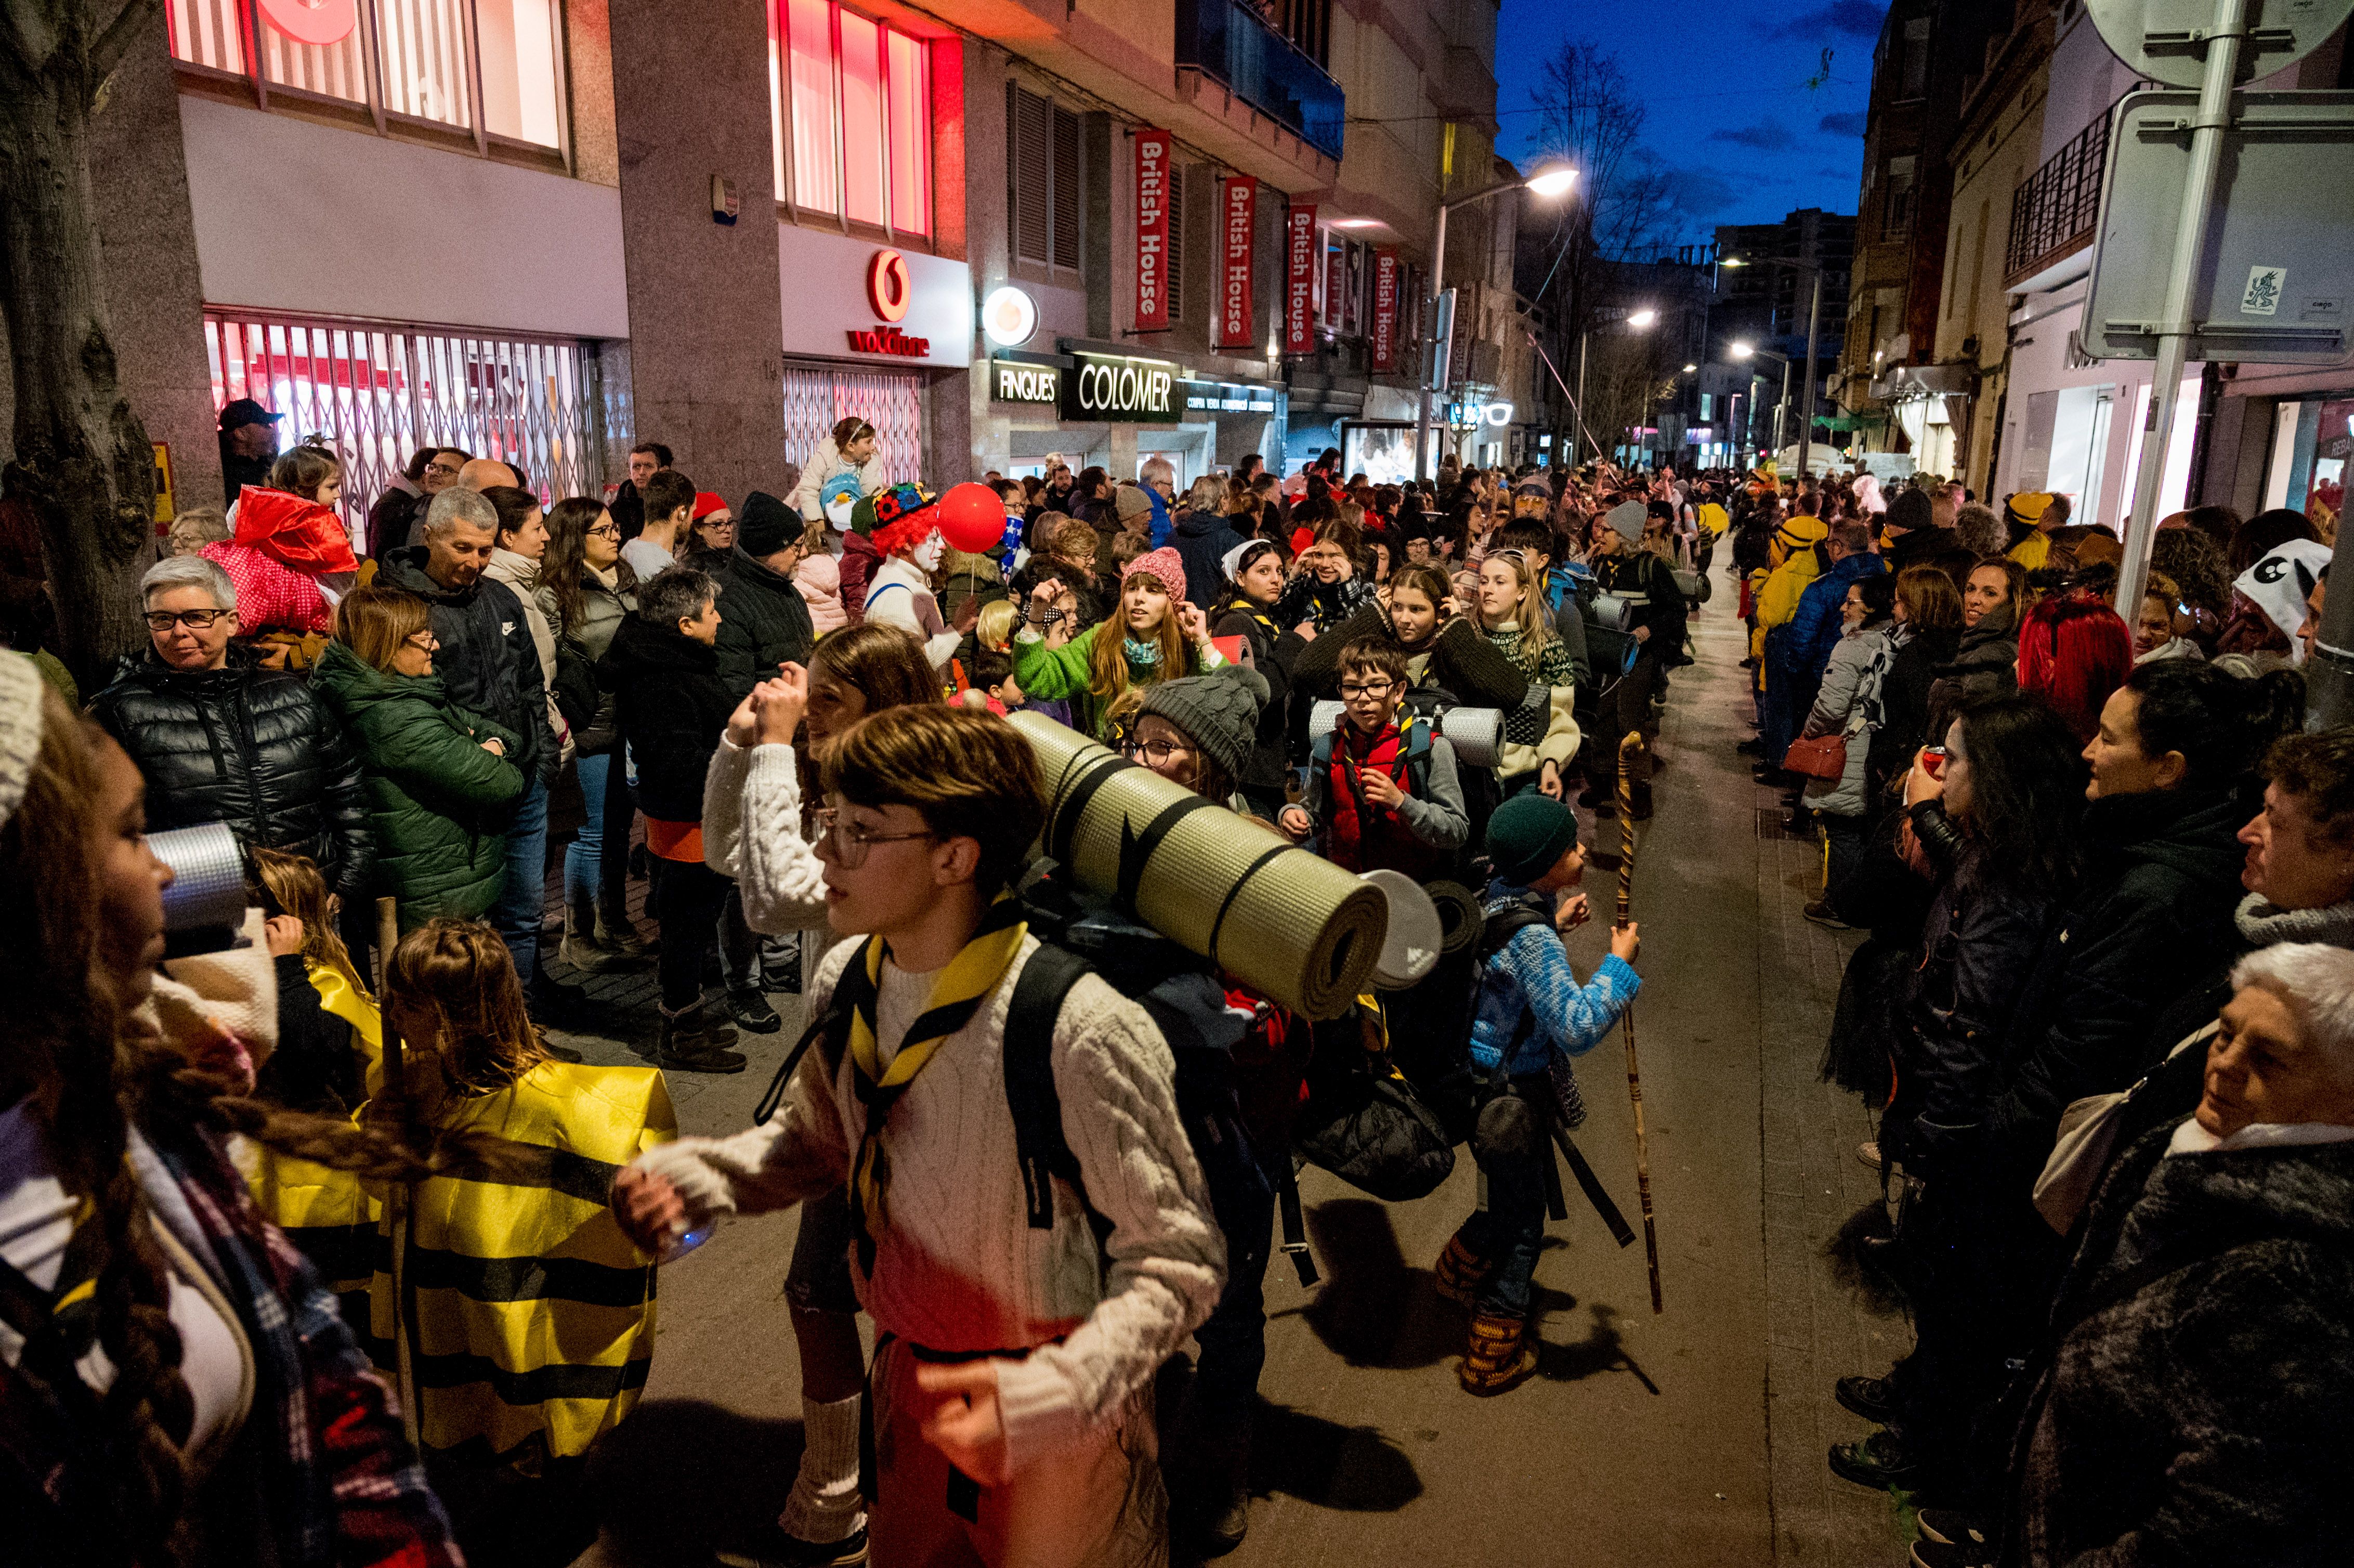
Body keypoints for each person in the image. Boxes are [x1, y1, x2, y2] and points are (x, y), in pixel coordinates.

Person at [612, 704, 1224, 1567]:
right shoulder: (848, 978)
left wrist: (1055, 1390)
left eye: (859, 832)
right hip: (910, 1391)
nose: (824, 852)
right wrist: (712, 1175)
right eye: (827, 823)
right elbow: (822, 1141)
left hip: (1060, 1421)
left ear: (954, 855)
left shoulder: (1076, 1026)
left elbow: (1178, 1258)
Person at [1, 662, 470, 1568]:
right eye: (135, 833)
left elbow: (323, 1381)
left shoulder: (140, 1098)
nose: (171, 870)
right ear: (37, 893)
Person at [696, 623, 941, 1566]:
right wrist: (737, 745)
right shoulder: (854, 784)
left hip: (900, 1085)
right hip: (850, 1081)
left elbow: (775, 898)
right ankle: (865, 1480)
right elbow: (732, 857)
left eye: (827, 703)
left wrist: (769, 754)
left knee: (844, 1287)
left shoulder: (902, 791)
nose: (806, 719)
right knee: (846, 1287)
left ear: (880, 703)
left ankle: (843, 1497)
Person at [1996, 943, 2354, 1568]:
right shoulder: (2209, 1148)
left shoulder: (2299, 1284)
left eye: (2268, 1058)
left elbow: (2225, 1523)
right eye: (2225, 1034)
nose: (2224, 1066)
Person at [1829, 695, 2089, 1494]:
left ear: (2001, 776)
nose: (1943, 773)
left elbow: (1968, 1024)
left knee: (1952, 1289)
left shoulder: (2013, 886)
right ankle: (1915, 1389)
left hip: (1964, 1129)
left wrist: (1930, 1130)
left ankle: (1926, 1438)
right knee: (1936, 1277)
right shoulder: (1995, 855)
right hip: (1943, 1113)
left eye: (1958, 759)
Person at [367, 918, 673, 1568]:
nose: (388, 1013)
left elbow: (671, 1218)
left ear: (453, 1017)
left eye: (407, 1003)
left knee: (536, 1481)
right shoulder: (410, 1086)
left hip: (530, 1339)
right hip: (450, 1319)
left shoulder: (575, 1111)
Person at [1434, 792, 1640, 1394]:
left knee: (1504, 1198)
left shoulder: (1493, 894)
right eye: (1570, 847)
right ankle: (1490, 1354)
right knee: (1524, 1224)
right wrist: (1617, 966)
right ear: (1543, 867)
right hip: (1511, 1098)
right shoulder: (1533, 941)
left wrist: (1550, 921)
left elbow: (1502, 966)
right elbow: (1574, 1025)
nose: (1581, 852)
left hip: (1475, 1085)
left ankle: (1454, 1275)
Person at [89, 555, 374, 926]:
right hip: (202, 918)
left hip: (312, 903)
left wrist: (350, 879)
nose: (178, 632)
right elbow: (103, 826)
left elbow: (346, 787)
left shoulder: (290, 695)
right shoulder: (119, 712)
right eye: (163, 620)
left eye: (196, 617)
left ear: (232, 622)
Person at [377, 489, 573, 1015]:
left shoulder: (500, 597)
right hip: (456, 791)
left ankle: (522, 1019)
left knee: (524, 911)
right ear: (429, 536)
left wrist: (541, 756)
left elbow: (531, 682)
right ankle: (471, 1029)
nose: (474, 562)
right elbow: (408, 704)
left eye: (484, 550)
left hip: (522, 777)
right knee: (459, 928)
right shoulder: (399, 606)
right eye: (462, 547)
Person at [600, 566, 747, 1071]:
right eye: (711, 613)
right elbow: (678, 764)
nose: (721, 619)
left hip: (689, 820)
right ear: (685, 624)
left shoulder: (671, 660)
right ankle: (681, 1035)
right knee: (685, 935)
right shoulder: (664, 677)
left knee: (688, 929)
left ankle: (688, 1025)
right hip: (689, 825)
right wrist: (740, 744)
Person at [312, 586, 527, 926]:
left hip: (423, 882)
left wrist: (489, 742)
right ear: (388, 644)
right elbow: (503, 782)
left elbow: (491, 728)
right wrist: (488, 746)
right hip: (438, 895)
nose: (436, 647)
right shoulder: (397, 717)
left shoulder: (387, 690)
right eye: (425, 639)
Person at [537, 497, 649, 970]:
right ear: (574, 539)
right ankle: (578, 933)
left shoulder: (626, 580)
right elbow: (552, 664)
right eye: (603, 531)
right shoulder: (555, 593)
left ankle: (614, 919)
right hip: (591, 726)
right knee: (591, 833)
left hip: (632, 721)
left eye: (614, 529)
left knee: (620, 827)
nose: (615, 537)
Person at [1279, 636, 1470, 875]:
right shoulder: (1328, 748)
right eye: (1352, 687)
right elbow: (1314, 813)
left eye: (1376, 686)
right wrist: (1294, 816)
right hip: (1347, 888)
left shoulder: (1429, 748)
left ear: (1399, 691)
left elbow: (1456, 830)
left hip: (1414, 892)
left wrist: (1402, 803)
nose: (1363, 698)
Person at [1015, 545, 1223, 740]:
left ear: (1173, 604)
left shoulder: (1185, 648)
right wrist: (1036, 617)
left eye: (1153, 590)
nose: (1139, 598)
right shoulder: (1101, 641)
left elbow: (1224, 703)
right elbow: (1034, 678)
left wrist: (1203, 641)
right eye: (1132, 588)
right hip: (1113, 768)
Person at [1794, 574, 1897, 898]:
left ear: (1870, 609)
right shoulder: (1892, 643)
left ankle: (1839, 902)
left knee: (1842, 831)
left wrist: (1808, 732)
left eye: (1850, 602)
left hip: (1849, 753)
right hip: (1873, 752)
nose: (1843, 608)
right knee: (1860, 831)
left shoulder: (1852, 647)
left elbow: (1830, 708)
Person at [203, 445, 360, 645]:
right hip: (286, 588)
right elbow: (330, 556)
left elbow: (236, 520)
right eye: (331, 487)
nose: (338, 495)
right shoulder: (313, 519)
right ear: (303, 488)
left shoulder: (267, 504)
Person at [1771, 517, 1886, 774]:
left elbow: (1803, 640)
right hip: (1876, 674)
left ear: (1836, 547)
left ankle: (1808, 786)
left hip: (1822, 676)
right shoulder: (1885, 580)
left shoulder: (1823, 588)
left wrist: (1794, 671)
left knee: (1816, 737)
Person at [1209, 539, 1310, 819]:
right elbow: (1258, 690)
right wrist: (1295, 641)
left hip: (1266, 765)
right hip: (1250, 769)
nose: (1275, 579)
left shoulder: (1262, 620)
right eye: (1264, 572)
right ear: (1239, 578)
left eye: (1279, 571)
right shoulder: (1234, 623)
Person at [1474, 548, 1581, 804]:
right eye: (1483, 581)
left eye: (1500, 582)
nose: (1488, 589)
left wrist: (1551, 762)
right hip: (1471, 773)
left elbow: (1558, 714)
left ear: (1522, 591)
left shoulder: (1545, 645)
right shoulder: (1467, 639)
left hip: (1522, 777)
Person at [482, 485, 565, 759]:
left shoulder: (517, 583)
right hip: (532, 740)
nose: (547, 537)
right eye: (537, 528)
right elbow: (529, 678)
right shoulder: (506, 591)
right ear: (507, 537)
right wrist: (554, 732)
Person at [714, 491, 817, 701]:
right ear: (769, 548)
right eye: (797, 546)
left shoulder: (787, 589)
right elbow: (736, 690)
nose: (805, 553)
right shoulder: (728, 604)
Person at [861, 496, 976, 670]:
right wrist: (957, 629)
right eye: (934, 538)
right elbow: (910, 667)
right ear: (907, 543)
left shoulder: (903, 579)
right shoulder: (897, 598)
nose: (943, 546)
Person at [1924, 556, 2026, 743]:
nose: (1974, 600)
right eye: (1970, 589)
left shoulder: (1993, 654)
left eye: (1990, 593)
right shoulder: (1976, 643)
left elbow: (1973, 735)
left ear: (2012, 602)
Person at [2015, 593, 2136, 745]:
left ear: (2048, 669)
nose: (2016, 664)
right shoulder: (2135, 739)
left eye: (2026, 656)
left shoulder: (2025, 745)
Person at [786, 417, 884, 527]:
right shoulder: (825, 457)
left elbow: (871, 495)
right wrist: (817, 521)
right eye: (868, 442)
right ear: (851, 447)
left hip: (848, 522)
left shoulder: (870, 463)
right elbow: (808, 489)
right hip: (816, 517)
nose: (873, 448)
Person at [1172, 475, 1247, 611]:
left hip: (1178, 617)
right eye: (1228, 498)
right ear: (1224, 502)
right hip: (1216, 622)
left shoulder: (1173, 536)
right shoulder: (1233, 542)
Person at [623, 468, 698, 581]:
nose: (692, 521)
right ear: (681, 513)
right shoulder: (663, 573)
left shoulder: (628, 551)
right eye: (692, 512)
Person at [216, 395, 283, 505]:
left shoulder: (270, 464)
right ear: (241, 434)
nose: (272, 431)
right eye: (264, 425)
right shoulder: (226, 474)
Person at [2133, 568, 2202, 664]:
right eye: (2135, 623)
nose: (2144, 635)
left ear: (2172, 627)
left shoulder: (2184, 669)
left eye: (2156, 626)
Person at [684, 491, 736, 569]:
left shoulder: (735, 558)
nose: (728, 530)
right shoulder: (694, 567)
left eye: (730, 522)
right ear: (699, 528)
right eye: (718, 524)